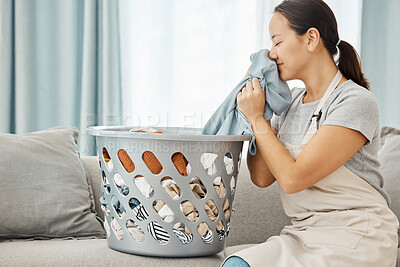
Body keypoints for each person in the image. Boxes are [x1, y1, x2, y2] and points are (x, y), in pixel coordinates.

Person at [222, 0, 399, 266]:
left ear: (311, 38)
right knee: (237, 263)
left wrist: (257, 119)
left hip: (358, 236)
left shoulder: (354, 101)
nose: (271, 54)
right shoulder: (289, 104)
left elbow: (293, 179)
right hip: (304, 235)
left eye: (278, 42)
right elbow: (261, 177)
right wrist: (264, 111)